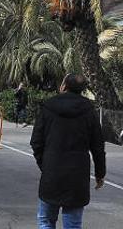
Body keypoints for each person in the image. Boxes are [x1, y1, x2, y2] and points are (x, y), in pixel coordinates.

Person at [30, 74, 105, 229]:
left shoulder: (48, 106)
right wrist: (100, 174)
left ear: (63, 86)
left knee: (46, 221)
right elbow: (98, 146)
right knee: (73, 224)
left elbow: (36, 142)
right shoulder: (89, 110)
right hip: (77, 177)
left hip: (52, 173)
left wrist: (45, 164)